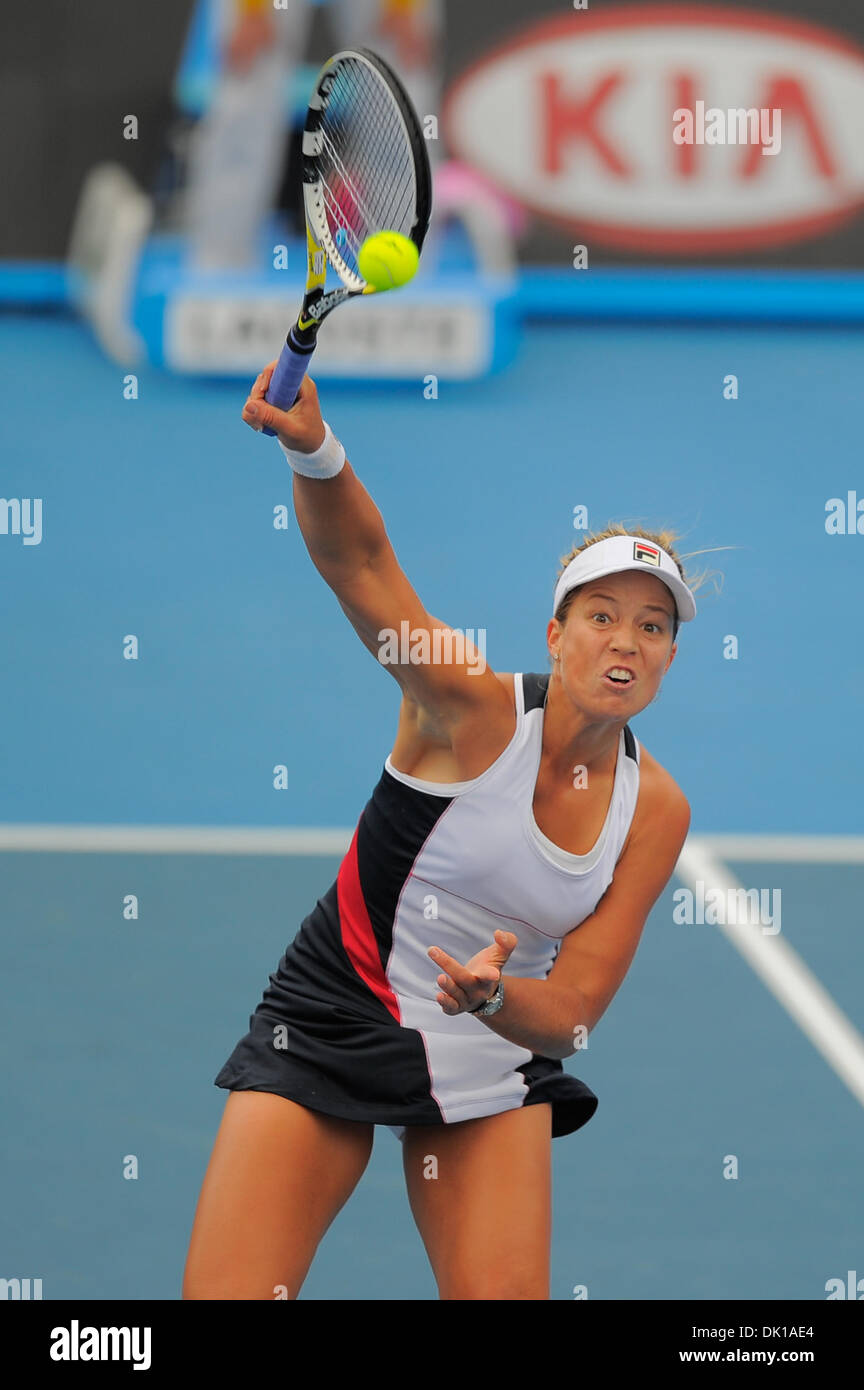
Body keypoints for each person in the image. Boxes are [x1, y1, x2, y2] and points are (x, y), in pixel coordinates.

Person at [182, 364, 705, 1301]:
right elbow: (363, 567)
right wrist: (316, 450)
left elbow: (576, 1008)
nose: (626, 640)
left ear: (669, 656)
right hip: (337, 1015)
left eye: (653, 626)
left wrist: (495, 1000)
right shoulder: (464, 706)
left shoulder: (655, 810)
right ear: (555, 634)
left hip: (488, 1054)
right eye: (602, 616)